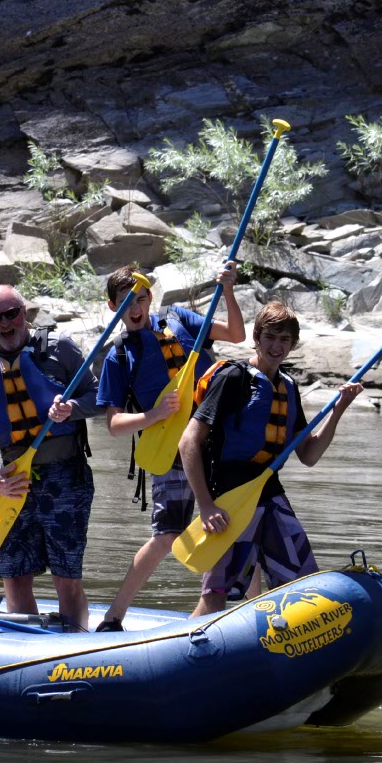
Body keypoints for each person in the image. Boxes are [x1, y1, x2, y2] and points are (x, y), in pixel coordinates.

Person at [179, 301, 363, 617]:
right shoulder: (233, 378)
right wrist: (206, 505)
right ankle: (188, 643)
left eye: (284, 340)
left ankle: (291, 638)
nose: (276, 346)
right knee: (216, 596)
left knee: (304, 585)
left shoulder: (287, 386)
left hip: (270, 494)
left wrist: (338, 411)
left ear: (292, 344)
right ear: (256, 338)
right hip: (229, 501)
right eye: (270, 337)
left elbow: (309, 454)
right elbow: (188, 442)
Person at [93, 263, 245, 631]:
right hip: (170, 449)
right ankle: (113, 617)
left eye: (141, 298)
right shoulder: (118, 355)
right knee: (166, 536)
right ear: (113, 306)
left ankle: (240, 608)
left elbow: (237, 335)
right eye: (126, 301)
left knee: (234, 525)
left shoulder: (180, 318)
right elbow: (113, 424)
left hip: (216, 443)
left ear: (150, 298)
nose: (135, 308)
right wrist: (154, 414)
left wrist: (227, 290)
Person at [0, 285, 101, 632]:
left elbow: (100, 397)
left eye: (11, 313)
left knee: (66, 577)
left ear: (24, 312)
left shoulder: (60, 348)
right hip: (11, 485)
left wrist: (72, 409)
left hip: (66, 479)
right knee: (14, 578)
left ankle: (75, 646)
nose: (5, 323)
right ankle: (27, 645)